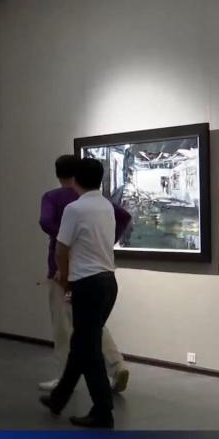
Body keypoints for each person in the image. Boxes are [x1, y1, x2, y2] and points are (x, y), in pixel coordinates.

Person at [38, 154, 132, 393]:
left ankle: (64, 380)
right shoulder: (97, 201)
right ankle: (116, 365)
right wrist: (108, 239)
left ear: (58, 173)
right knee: (93, 325)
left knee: (63, 327)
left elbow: (45, 222)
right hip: (99, 272)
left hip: (64, 270)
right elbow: (123, 216)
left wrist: (64, 235)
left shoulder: (55, 198)